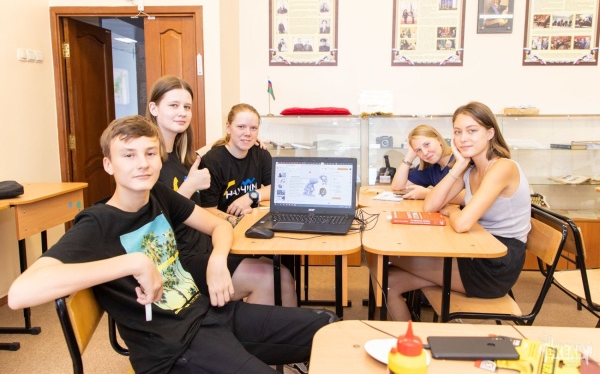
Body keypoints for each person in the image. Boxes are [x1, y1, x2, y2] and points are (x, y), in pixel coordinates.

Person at [8, 115, 335, 373]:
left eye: (150, 153)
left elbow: (219, 225)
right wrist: (133, 262)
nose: (142, 163)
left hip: (209, 315)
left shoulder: (159, 195)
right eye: (128, 155)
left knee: (330, 329)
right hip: (172, 348)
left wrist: (218, 260)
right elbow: (21, 293)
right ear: (108, 164)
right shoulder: (97, 223)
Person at [146, 75, 297, 307]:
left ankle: (278, 329)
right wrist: (190, 186)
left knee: (282, 275)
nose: (182, 112)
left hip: (205, 245)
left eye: (187, 107)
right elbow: (152, 224)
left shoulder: (187, 158)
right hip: (177, 260)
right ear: (154, 108)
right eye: (173, 105)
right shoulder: (147, 161)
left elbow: (215, 152)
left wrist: (243, 138)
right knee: (271, 278)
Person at [386, 101, 531, 321]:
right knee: (388, 283)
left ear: (490, 133)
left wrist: (452, 212)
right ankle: (412, 340)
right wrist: (459, 166)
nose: (463, 138)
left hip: (496, 262)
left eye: (472, 131)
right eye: (457, 132)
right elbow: (430, 206)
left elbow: (462, 224)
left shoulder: (503, 167)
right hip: (474, 248)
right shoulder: (469, 169)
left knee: (389, 256)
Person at [391, 124, 454, 200]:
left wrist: (428, 193)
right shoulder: (430, 167)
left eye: (427, 145)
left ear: (439, 140)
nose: (425, 152)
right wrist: (410, 155)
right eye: (419, 150)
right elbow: (397, 187)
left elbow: (465, 196)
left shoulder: (459, 160)